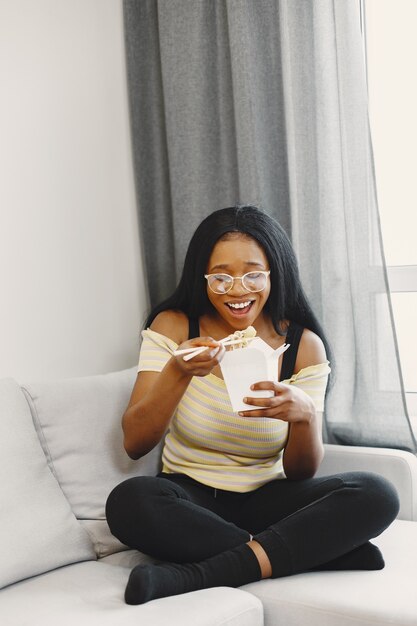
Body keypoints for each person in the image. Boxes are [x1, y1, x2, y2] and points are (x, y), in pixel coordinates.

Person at [106, 205, 399, 605]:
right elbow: (135, 442)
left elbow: (301, 471)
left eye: (253, 274)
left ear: (273, 274)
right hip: (190, 498)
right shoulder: (174, 326)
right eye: (221, 277)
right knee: (129, 502)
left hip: (269, 499)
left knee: (378, 493)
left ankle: (207, 572)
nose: (238, 290)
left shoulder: (302, 346)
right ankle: (303, 553)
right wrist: (178, 372)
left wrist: (304, 416)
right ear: (203, 278)